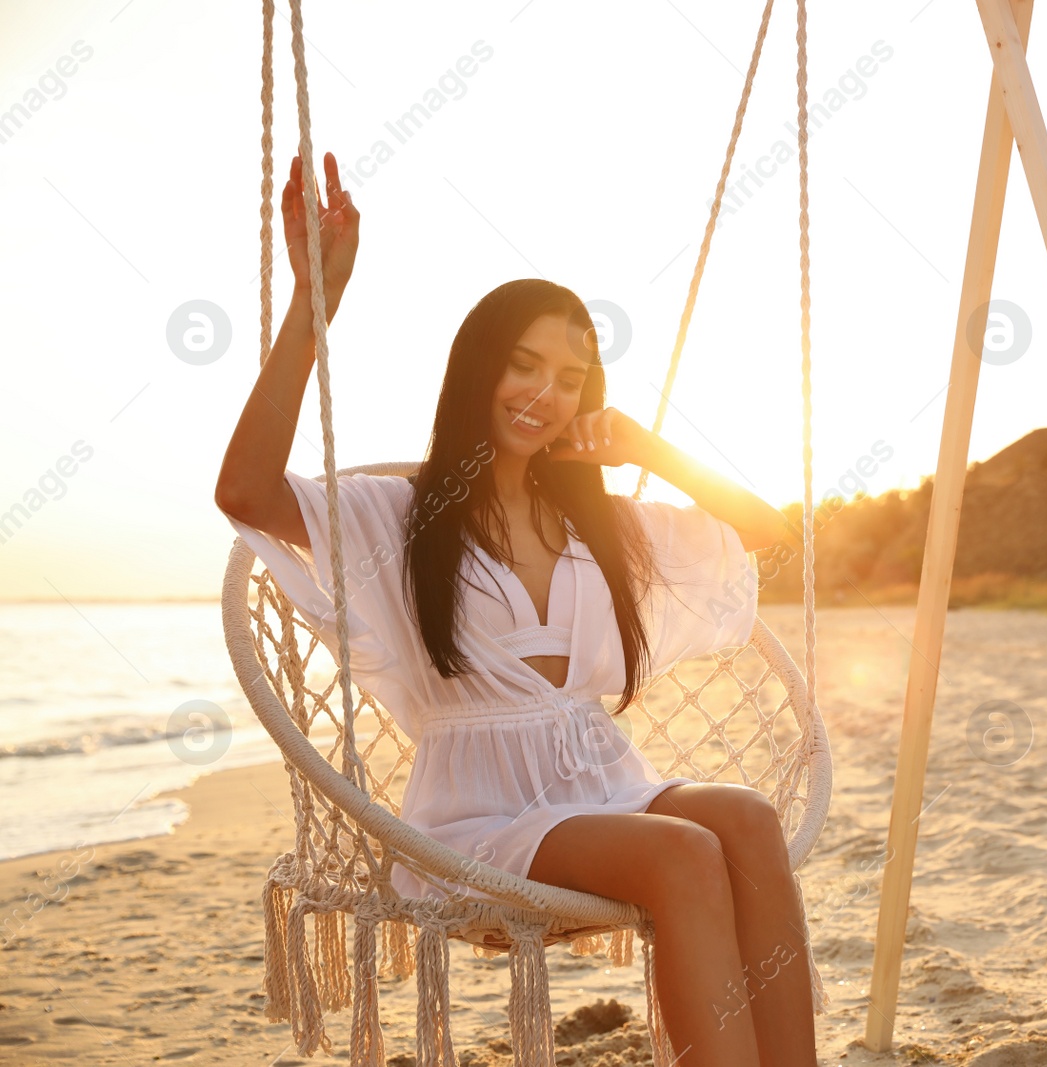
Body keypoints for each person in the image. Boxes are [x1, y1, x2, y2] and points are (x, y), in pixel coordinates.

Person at [214, 152, 818, 1065]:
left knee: (745, 819)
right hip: (480, 813)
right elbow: (246, 491)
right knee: (685, 857)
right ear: (477, 369)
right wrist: (313, 308)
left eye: (569, 377)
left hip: (606, 780)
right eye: (523, 365)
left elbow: (769, 531)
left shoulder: (600, 522)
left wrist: (640, 442)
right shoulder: (403, 514)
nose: (544, 393)